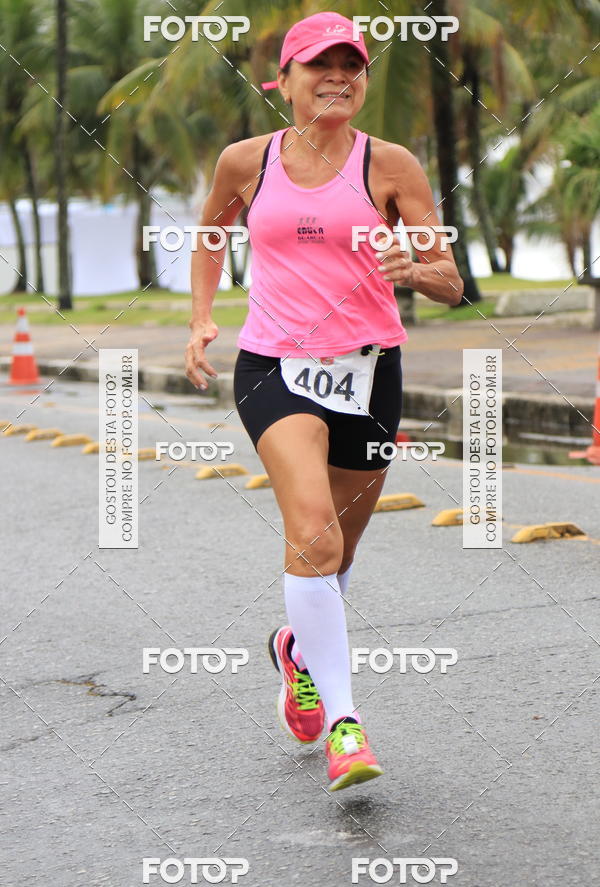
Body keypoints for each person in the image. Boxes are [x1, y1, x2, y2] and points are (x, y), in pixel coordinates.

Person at [185, 11, 463, 791]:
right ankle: (346, 725)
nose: (338, 75)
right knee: (309, 529)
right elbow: (211, 234)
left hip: (371, 373)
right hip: (275, 366)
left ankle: (296, 652)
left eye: (353, 64)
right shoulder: (247, 161)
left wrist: (414, 268)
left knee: (337, 551)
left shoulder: (392, 164)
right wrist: (203, 316)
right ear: (287, 79)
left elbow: (450, 281)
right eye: (320, 64)